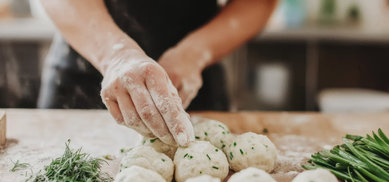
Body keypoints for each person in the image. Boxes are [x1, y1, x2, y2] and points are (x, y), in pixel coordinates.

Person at [37, 0, 277, 146]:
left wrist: (194, 53)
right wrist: (117, 56)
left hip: (193, 83)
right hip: (84, 71)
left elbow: (258, 2)